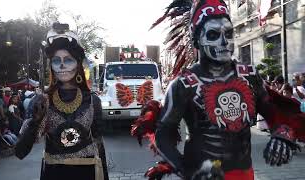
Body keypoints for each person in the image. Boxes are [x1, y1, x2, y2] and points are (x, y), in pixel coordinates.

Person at [131, 0, 305, 179]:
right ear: (197, 39)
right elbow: (163, 133)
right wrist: (185, 169)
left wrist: (283, 133)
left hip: (245, 174)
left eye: (228, 33)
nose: (224, 42)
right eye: (213, 34)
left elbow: (273, 112)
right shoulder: (183, 85)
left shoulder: (249, 75)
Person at [15, 23, 108, 180]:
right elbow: (20, 152)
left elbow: (99, 145)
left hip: (87, 173)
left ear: (78, 64)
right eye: (56, 61)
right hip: (55, 174)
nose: (62, 65)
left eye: (68, 60)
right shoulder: (43, 101)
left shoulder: (93, 101)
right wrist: (35, 122)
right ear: (51, 66)